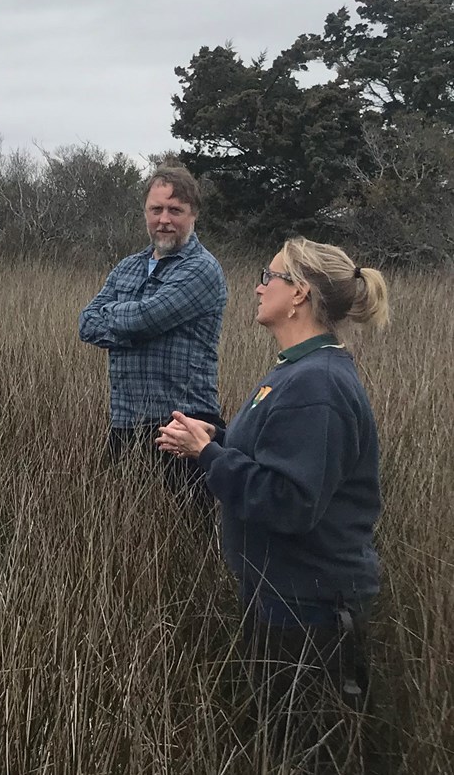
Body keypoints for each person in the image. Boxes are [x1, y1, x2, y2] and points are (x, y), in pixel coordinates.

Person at [156, 237, 389, 770]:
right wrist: (214, 439)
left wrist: (208, 455)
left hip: (309, 611)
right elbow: (276, 460)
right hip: (283, 600)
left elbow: (289, 502)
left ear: (299, 293)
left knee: (308, 753)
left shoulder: (317, 384)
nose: (259, 285)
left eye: (271, 275)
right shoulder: (298, 370)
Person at [78, 166, 228, 507]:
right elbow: (86, 323)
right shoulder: (128, 266)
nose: (164, 220)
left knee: (183, 539)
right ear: (145, 212)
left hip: (183, 428)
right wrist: (133, 323)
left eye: (175, 211)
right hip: (125, 423)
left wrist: (123, 322)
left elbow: (145, 319)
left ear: (194, 215)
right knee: (122, 536)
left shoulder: (201, 269)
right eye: (156, 209)